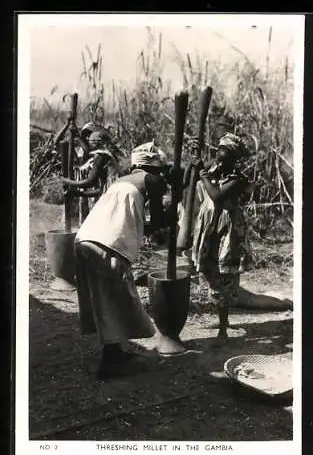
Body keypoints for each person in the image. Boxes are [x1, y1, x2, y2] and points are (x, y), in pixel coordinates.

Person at [72, 140, 180, 379]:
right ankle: (110, 362)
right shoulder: (154, 181)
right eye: (161, 169)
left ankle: (114, 353)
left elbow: (145, 224)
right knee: (120, 300)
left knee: (105, 302)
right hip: (108, 244)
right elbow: (160, 222)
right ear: (154, 168)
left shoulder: (122, 181)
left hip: (85, 239)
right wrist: (176, 198)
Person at [190, 132, 254, 346]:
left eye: (223, 150)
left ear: (234, 156)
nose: (218, 152)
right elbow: (196, 168)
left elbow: (217, 197)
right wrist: (196, 157)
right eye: (218, 148)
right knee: (211, 272)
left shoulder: (237, 178)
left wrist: (203, 174)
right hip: (210, 226)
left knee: (223, 275)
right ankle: (221, 322)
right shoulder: (216, 167)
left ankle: (223, 330)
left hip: (227, 229)